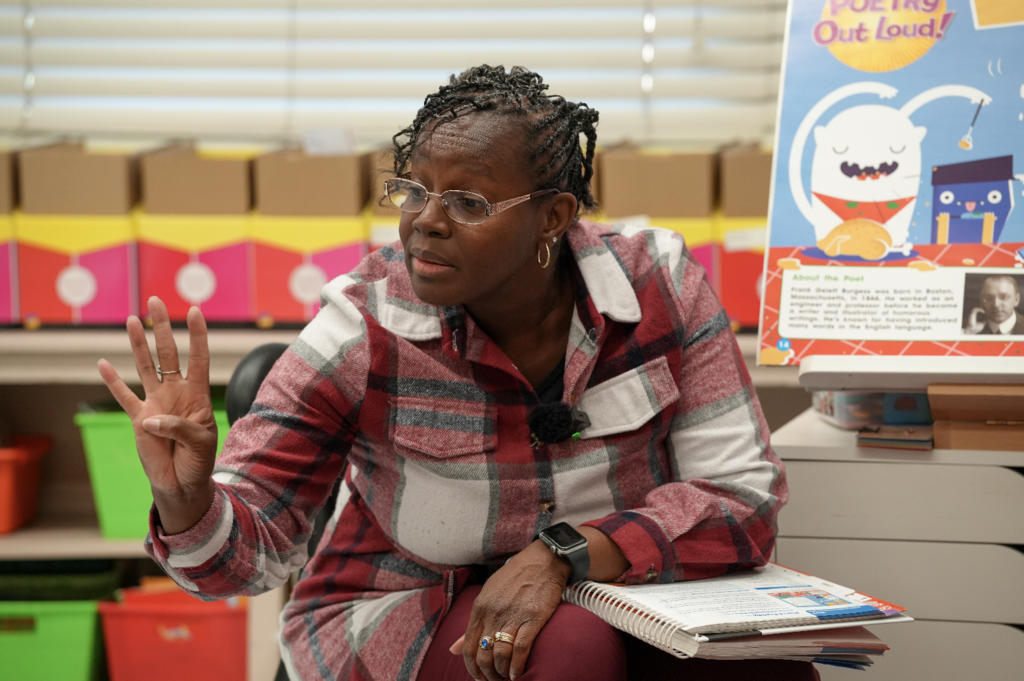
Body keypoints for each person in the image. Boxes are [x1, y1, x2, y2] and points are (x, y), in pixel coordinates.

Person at [98, 65, 812, 681]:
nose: (424, 223)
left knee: (762, 664)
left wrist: (564, 555)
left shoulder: (662, 286)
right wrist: (187, 498)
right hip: (407, 606)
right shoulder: (363, 326)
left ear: (553, 217)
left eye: (467, 203)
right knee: (560, 648)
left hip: (613, 585)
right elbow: (241, 567)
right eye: (414, 190)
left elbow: (744, 503)